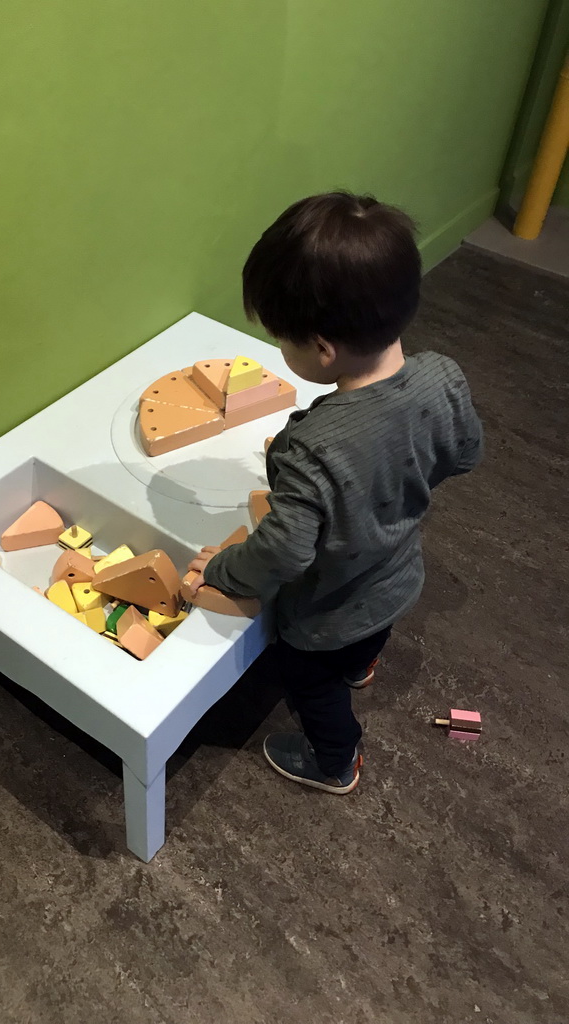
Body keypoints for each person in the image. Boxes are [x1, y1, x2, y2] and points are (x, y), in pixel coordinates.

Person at [187, 192, 484, 794]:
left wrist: (221, 569)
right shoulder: (443, 376)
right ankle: (362, 664)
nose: (280, 350)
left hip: (327, 613)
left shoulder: (313, 449)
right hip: (399, 577)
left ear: (322, 347)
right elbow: (464, 453)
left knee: (309, 681)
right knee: (365, 640)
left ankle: (335, 760)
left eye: (282, 340)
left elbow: (282, 555)